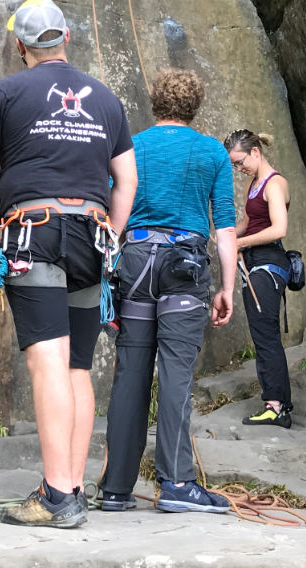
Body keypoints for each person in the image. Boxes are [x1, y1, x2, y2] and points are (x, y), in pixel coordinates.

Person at [0, 0, 137, 528]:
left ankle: (57, 496)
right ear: (67, 37)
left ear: (20, 45)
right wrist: (113, 237)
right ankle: (71, 487)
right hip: (92, 236)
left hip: (34, 233)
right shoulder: (104, 98)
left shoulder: (7, 91)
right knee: (77, 363)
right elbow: (127, 181)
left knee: (47, 359)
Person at [99, 69, 236, 515]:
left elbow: (108, 210)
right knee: (176, 374)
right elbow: (226, 230)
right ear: (194, 106)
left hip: (135, 262)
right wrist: (228, 289)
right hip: (185, 268)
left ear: (154, 101)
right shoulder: (212, 152)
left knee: (131, 372)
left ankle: (116, 487)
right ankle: (176, 483)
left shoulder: (131, 146)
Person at [224, 129, 294, 429]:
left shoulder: (275, 184)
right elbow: (249, 223)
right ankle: (276, 403)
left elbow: (279, 229)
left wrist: (241, 244)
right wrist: (227, 235)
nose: (239, 169)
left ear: (255, 151)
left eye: (241, 162)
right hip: (255, 264)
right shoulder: (253, 185)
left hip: (269, 265)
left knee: (266, 336)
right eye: (234, 165)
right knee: (261, 333)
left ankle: (276, 406)